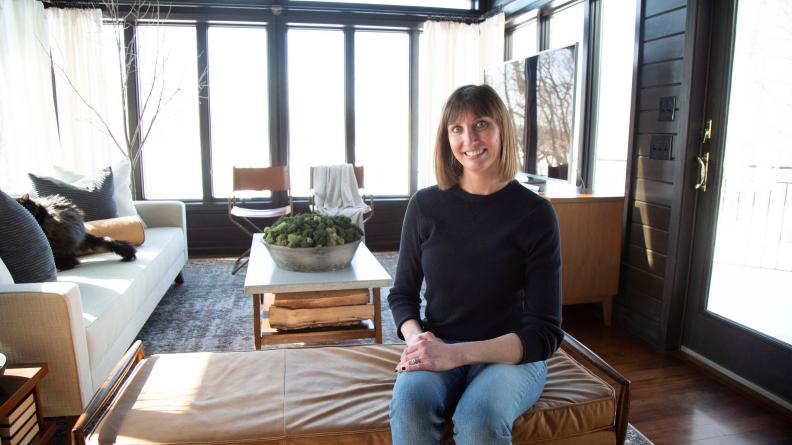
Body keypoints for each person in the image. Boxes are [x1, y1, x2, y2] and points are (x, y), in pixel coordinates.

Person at [387, 84, 564, 445]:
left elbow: (545, 332)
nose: (469, 138)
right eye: (457, 128)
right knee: (410, 407)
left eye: (481, 124)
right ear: (446, 137)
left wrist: (456, 354)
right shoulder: (425, 205)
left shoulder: (536, 214)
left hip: (510, 355)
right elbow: (402, 293)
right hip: (439, 342)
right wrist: (418, 340)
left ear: (501, 129)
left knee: (478, 418)